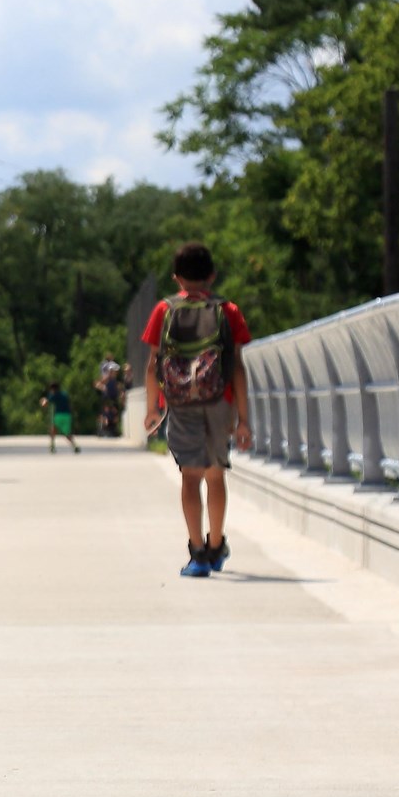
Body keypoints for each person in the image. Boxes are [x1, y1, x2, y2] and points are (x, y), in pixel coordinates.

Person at [142, 242, 254, 578]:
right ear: (212, 275)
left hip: (181, 404)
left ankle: (197, 554)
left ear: (176, 278)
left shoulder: (164, 310)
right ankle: (217, 544)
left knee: (190, 477)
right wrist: (244, 420)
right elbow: (237, 367)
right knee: (215, 474)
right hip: (220, 402)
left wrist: (152, 408)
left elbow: (152, 365)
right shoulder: (228, 310)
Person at [40, 382, 79, 454]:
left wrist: (42, 401)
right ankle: (75, 446)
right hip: (67, 415)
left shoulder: (54, 394)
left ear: (53, 389)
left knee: (53, 430)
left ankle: (52, 446)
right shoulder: (64, 394)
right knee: (67, 433)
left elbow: (45, 403)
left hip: (59, 415)